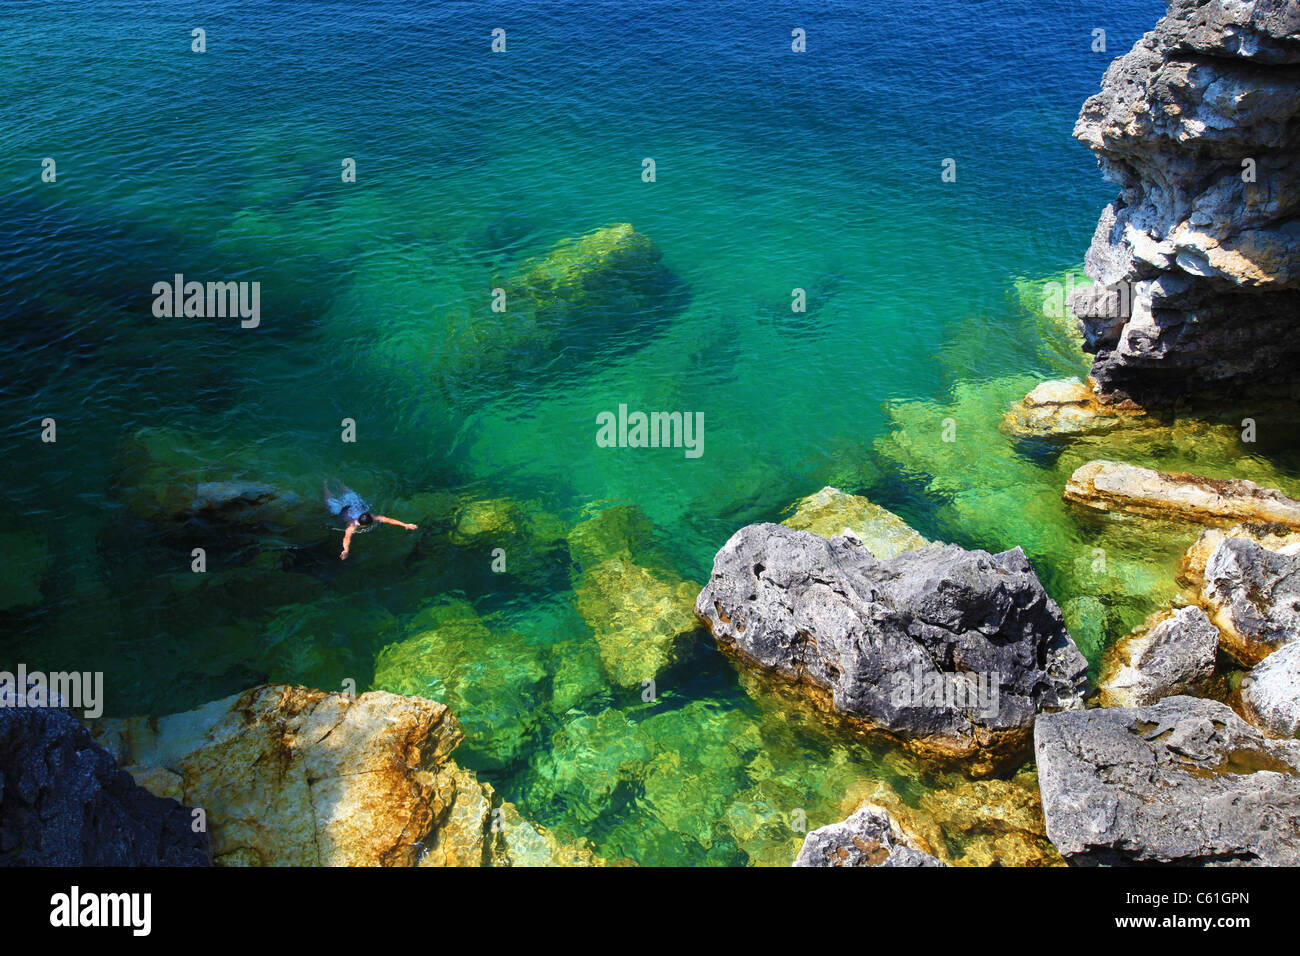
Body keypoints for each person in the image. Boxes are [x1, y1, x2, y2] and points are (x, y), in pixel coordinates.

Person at [323, 479, 417, 560]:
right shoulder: (352, 526)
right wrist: (346, 550)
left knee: (345, 497)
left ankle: (327, 483)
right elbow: (347, 538)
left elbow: (387, 519)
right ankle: (328, 484)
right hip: (342, 510)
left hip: (350, 508)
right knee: (333, 501)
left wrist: (405, 525)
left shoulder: (361, 520)